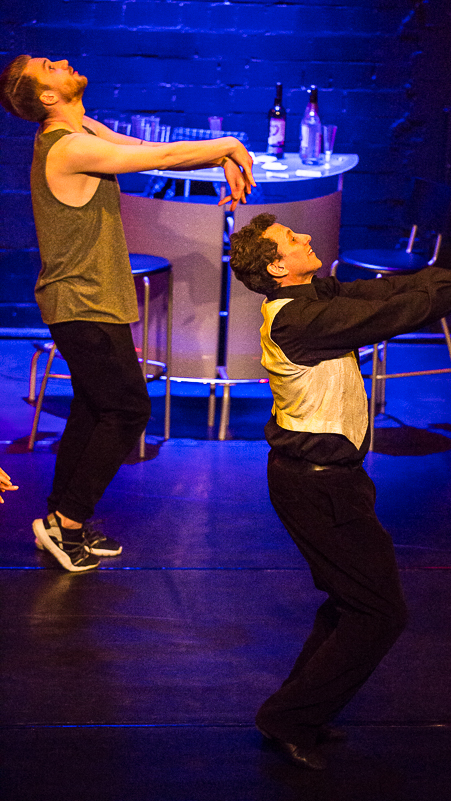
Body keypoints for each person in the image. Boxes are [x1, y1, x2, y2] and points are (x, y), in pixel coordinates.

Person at [229, 213, 451, 770]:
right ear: (277, 268)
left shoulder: (315, 298)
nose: (305, 237)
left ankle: (297, 713)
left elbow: (389, 290)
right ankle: (291, 717)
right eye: (292, 240)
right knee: (378, 613)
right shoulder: (300, 320)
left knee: (352, 604)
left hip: (331, 482)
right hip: (315, 486)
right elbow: (393, 312)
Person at [0, 55, 255, 572]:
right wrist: (227, 145)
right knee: (128, 410)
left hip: (90, 299)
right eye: (50, 67)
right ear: (47, 96)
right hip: (81, 301)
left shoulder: (83, 132)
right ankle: (68, 522)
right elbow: (158, 155)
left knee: (94, 408)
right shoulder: (69, 147)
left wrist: (218, 159)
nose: (63, 62)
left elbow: (148, 153)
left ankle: (60, 520)